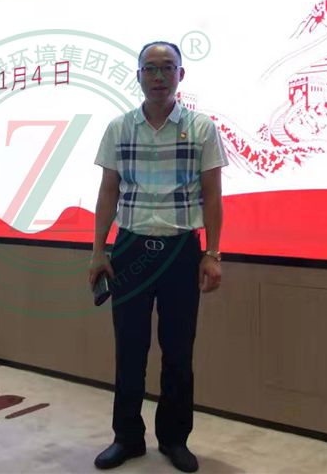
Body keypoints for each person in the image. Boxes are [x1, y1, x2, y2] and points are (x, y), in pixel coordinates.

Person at [89, 41, 227, 472]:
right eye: (150, 68)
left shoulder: (202, 128)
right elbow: (108, 192)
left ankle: (174, 439)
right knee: (129, 349)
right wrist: (98, 250)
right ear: (138, 76)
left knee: (178, 352)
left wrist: (213, 253)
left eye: (168, 67)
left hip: (181, 251)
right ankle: (127, 438)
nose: (159, 76)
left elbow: (212, 195)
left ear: (181, 75)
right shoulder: (119, 128)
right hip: (130, 248)